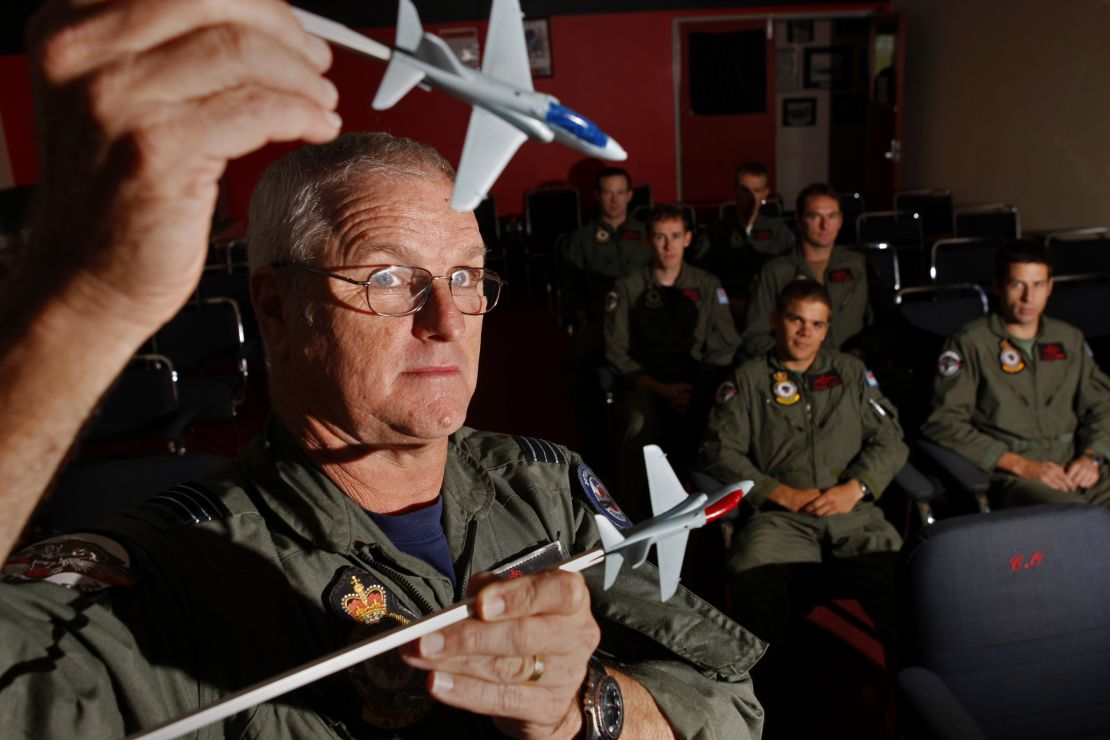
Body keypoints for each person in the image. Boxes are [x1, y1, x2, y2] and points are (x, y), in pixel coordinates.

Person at [0, 10, 763, 733]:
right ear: (275, 308)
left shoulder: (547, 488)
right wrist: (84, 302)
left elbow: (730, 702)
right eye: (389, 278)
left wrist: (579, 712)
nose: (448, 321)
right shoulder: (180, 577)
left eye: (467, 277)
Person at [698, 280, 906, 713]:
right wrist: (779, 493)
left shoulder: (851, 373)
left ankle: (912, 695)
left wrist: (858, 486)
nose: (805, 332)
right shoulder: (748, 380)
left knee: (906, 584)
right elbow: (719, 451)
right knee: (751, 572)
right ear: (775, 319)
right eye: (796, 319)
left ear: (827, 328)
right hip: (780, 516)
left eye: (816, 324)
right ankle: (767, 705)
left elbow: (891, 438)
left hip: (851, 511)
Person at [922, 240, 1110, 509]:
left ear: (1050, 287)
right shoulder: (971, 343)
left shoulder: (1068, 339)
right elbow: (943, 423)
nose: (1028, 297)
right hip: (1015, 475)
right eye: (1017, 284)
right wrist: (1022, 466)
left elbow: (1102, 405)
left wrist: (1092, 457)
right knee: (1077, 520)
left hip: (1075, 465)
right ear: (998, 286)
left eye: (1038, 285)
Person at [604, 205, 740, 518]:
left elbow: (726, 344)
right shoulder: (627, 287)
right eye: (660, 237)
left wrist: (699, 386)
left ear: (688, 239)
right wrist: (658, 387)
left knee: (726, 425)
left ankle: (719, 515)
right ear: (648, 242)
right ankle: (632, 519)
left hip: (698, 382)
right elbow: (616, 351)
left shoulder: (707, 285)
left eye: (676, 236)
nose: (669, 246)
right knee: (637, 425)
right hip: (648, 382)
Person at [560, 167, 652, 469]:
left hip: (642, 324)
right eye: (607, 192)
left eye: (620, 192)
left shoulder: (646, 235)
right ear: (598, 196)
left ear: (629, 195)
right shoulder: (581, 240)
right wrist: (582, 321)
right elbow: (570, 290)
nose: (614, 200)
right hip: (600, 323)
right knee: (579, 366)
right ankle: (595, 447)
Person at [740, 183, 874, 360]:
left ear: (840, 220)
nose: (825, 225)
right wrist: (796, 358)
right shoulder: (776, 271)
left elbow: (883, 325)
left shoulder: (858, 265)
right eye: (815, 217)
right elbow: (754, 336)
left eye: (831, 216)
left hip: (848, 366)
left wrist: (859, 354)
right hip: (793, 370)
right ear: (799, 220)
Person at [692, 163, 793, 325]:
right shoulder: (717, 231)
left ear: (766, 193)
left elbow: (792, 273)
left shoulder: (778, 231)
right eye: (744, 190)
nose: (750, 197)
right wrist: (725, 302)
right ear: (735, 191)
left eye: (757, 191)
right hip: (725, 314)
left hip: (769, 313)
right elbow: (700, 277)